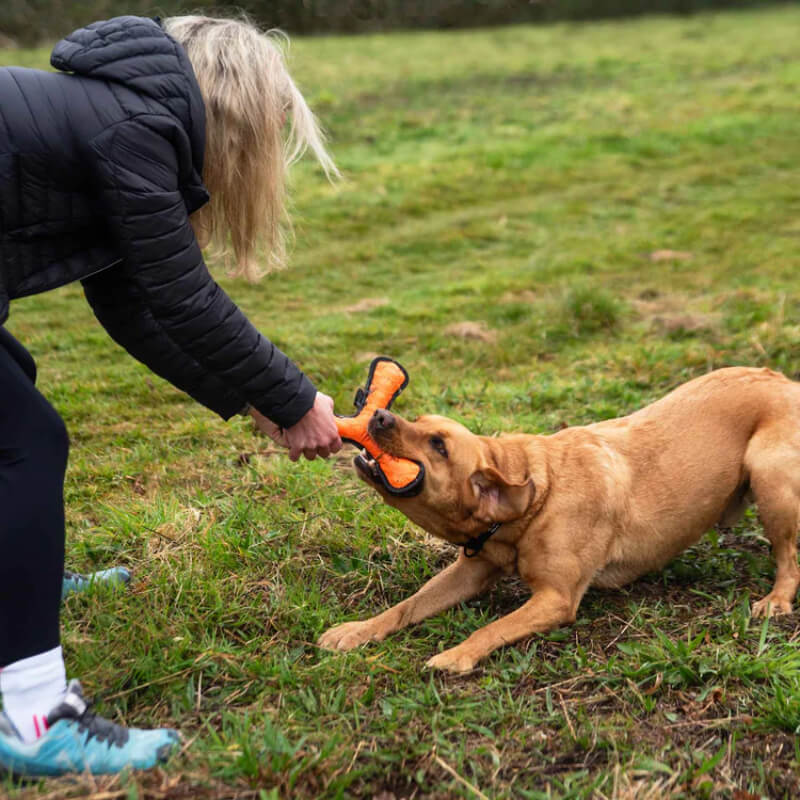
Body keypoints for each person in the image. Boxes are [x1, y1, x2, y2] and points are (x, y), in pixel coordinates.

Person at [0, 14, 342, 775]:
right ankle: (32, 718)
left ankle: (19, 577)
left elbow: (131, 306)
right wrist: (294, 399)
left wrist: (250, 399)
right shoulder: (137, 130)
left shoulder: (112, 117)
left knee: (12, 392)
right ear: (239, 116)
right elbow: (184, 297)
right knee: (25, 442)